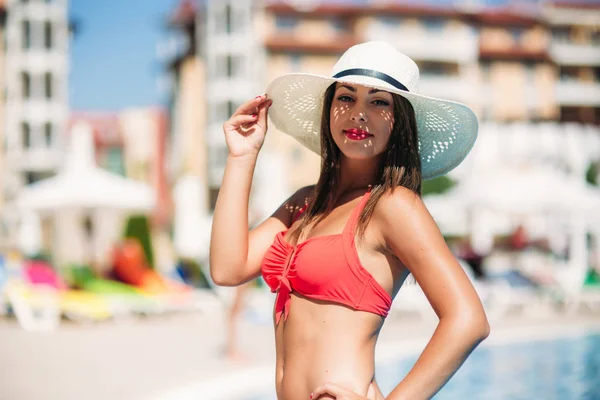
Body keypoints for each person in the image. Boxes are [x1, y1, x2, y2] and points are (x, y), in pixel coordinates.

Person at [210, 41, 490, 400]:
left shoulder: (393, 206)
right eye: (346, 97)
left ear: (399, 121)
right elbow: (226, 268)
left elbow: (468, 320)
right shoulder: (305, 204)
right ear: (329, 110)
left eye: (378, 102)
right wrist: (242, 157)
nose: (359, 114)